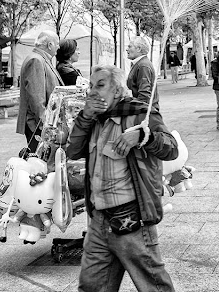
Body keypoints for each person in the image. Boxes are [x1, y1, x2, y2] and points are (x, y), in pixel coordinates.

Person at [66, 65, 178, 292]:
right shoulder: (94, 118)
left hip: (131, 221)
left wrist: (142, 136)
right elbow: (72, 150)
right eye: (91, 86)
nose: (92, 92)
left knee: (154, 286)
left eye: (100, 85)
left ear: (117, 90)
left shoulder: (139, 113)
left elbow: (171, 148)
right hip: (98, 221)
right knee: (92, 286)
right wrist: (85, 116)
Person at [16, 30, 62, 152]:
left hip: (38, 124)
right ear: (50, 45)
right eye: (57, 43)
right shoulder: (36, 60)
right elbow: (37, 99)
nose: (59, 46)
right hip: (37, 125)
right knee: (39, 162)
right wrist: (45, 127)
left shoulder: (40, 59)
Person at [126, 37, 157, 104]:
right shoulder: (141, 64)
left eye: (130, 47)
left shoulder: (143, 66)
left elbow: (144, 95)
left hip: (145, 110)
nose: (127, 49)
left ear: (139, 49)